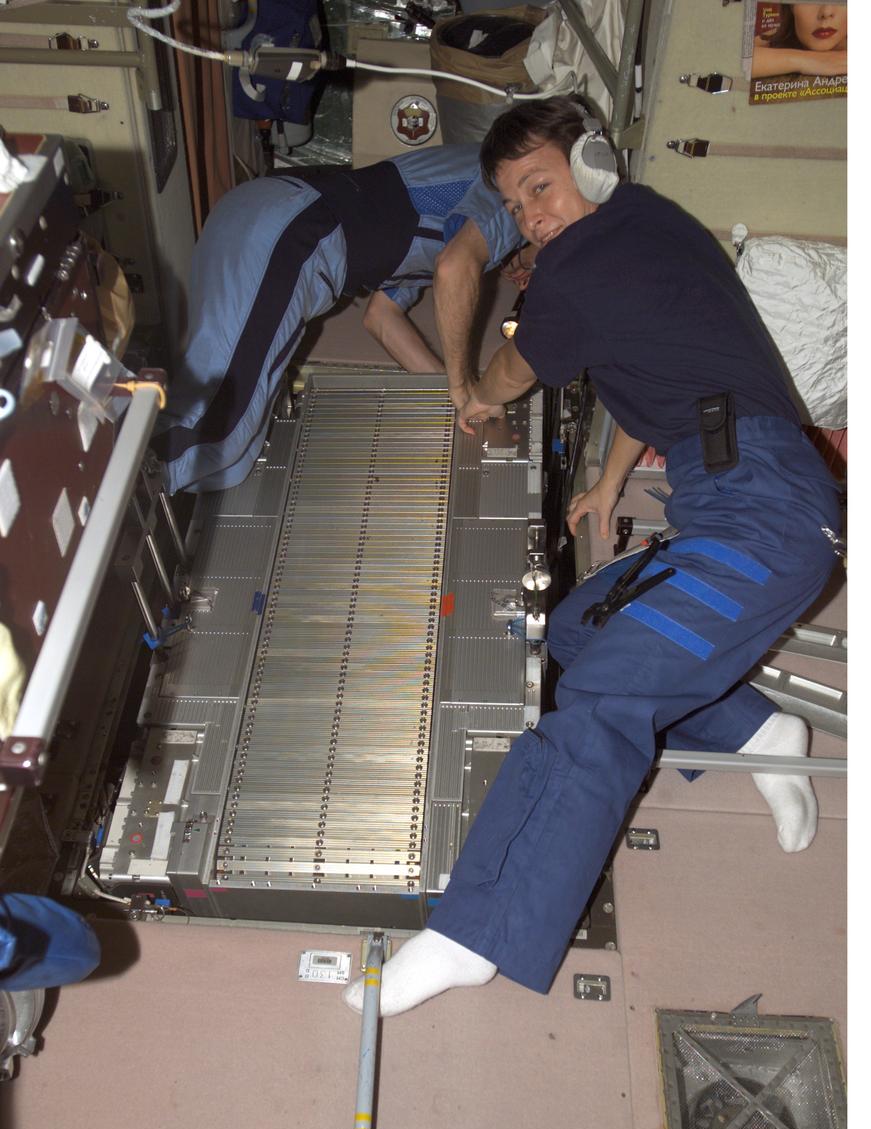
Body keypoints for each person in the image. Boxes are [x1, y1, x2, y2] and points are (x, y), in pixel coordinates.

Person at [344, 96, 842, 1018]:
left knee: (603, 699)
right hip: (737, 488)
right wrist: (610, 483)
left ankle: (473, 936)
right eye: (517, 206)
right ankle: (759, 732)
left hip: (764, 518)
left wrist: (467, 391)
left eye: (541, 186)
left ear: (597, 159)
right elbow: (661, 376)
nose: (533, 217)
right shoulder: (650, 228)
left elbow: (508, 375)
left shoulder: (580, 264)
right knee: (579, 625)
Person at [152, 144, 525, 494]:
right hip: (292, 229)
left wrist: (458, 404)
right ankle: (111, 487)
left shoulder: (450, 231)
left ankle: (123, 445)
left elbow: (381, 318)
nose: (524, 277)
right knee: (217, 434)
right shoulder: (514, 184)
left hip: (273, 221)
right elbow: (457, 267)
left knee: (231, 461)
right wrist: (466, 388)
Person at [751, 3, 847, 78]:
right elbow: (740, 59)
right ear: (791, 6)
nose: (826, 12)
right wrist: (811, 60)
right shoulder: (780, 33)